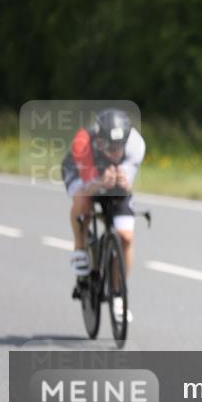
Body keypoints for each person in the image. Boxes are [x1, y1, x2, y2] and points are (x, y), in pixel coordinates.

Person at [62, 109, 146, 310]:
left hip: (113, 181)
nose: (115, 152)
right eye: (109, 146)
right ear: (99, 141)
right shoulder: (83, 143)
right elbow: (87, 188)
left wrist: (123, 181)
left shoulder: (136, 144)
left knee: (126, 237)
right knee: (83, 203)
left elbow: (127, 185)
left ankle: (118, 293)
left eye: (119, 147)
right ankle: (80, 248)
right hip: (80, 172)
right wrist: (99, 182)